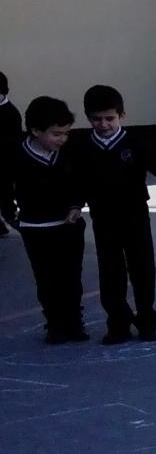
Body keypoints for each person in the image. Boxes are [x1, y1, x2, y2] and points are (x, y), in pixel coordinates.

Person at [74, 84, 156, 344]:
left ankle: (146, 320)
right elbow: (79, 181)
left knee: (142, 267)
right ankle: (117, 324)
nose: (104, 124)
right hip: (103, 217)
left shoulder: (135, 143)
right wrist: (75, 204)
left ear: (122, 115)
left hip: (135, 215)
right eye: (97, 119)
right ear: (88, 118)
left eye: (110, 118)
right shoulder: (83, 146)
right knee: (110, 270)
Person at [1, 97, 88, 342]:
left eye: (66, 133)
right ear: (36, 131)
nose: (62, 139)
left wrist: (76, 204)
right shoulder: (16, 154)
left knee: (71, 276)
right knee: (47, 278)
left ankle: (74, 321)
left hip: (68, 226)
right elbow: (5, 187)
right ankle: (55, 323)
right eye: (56, 134)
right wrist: (12, 215)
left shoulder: (68, 152)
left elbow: (80, 181)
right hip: (35, 228)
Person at [0, 70, 20, 237]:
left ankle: (11, 216)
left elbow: (13, 141)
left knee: (5, 193)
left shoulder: (10, 112)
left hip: (4, 161)